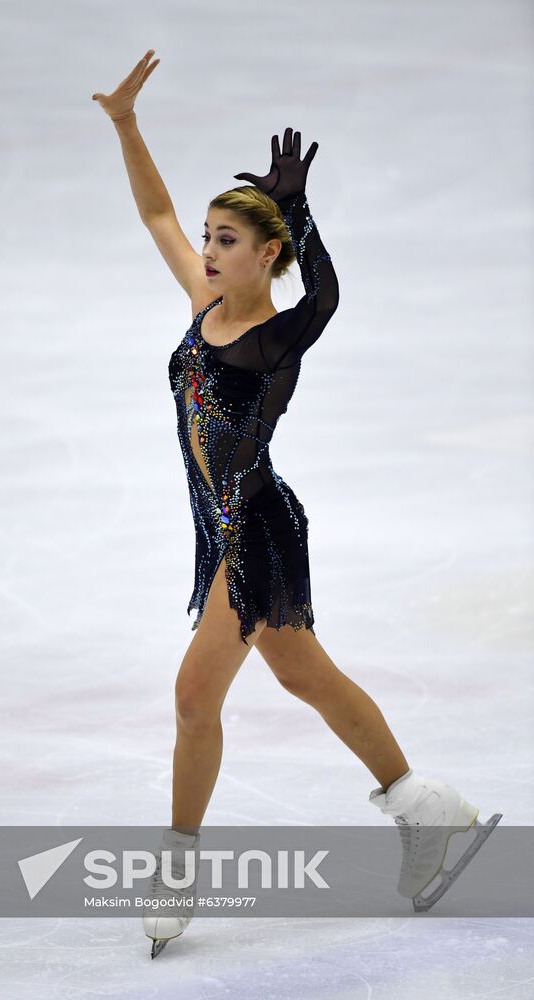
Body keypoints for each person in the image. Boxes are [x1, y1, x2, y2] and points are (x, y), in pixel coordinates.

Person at [92, 50, 502, 958]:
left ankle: (177, 864)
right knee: (303, 674)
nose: (205, 249)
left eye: (227, 240)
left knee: (195, 695)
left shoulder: (278, 335)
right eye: (209, 237)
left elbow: (327, 289)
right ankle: (422, 806)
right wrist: (126, 124)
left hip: (258, 527)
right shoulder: (204, 302)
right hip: (220, 523)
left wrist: (303, 214)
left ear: (266, 253)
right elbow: (156, 212)